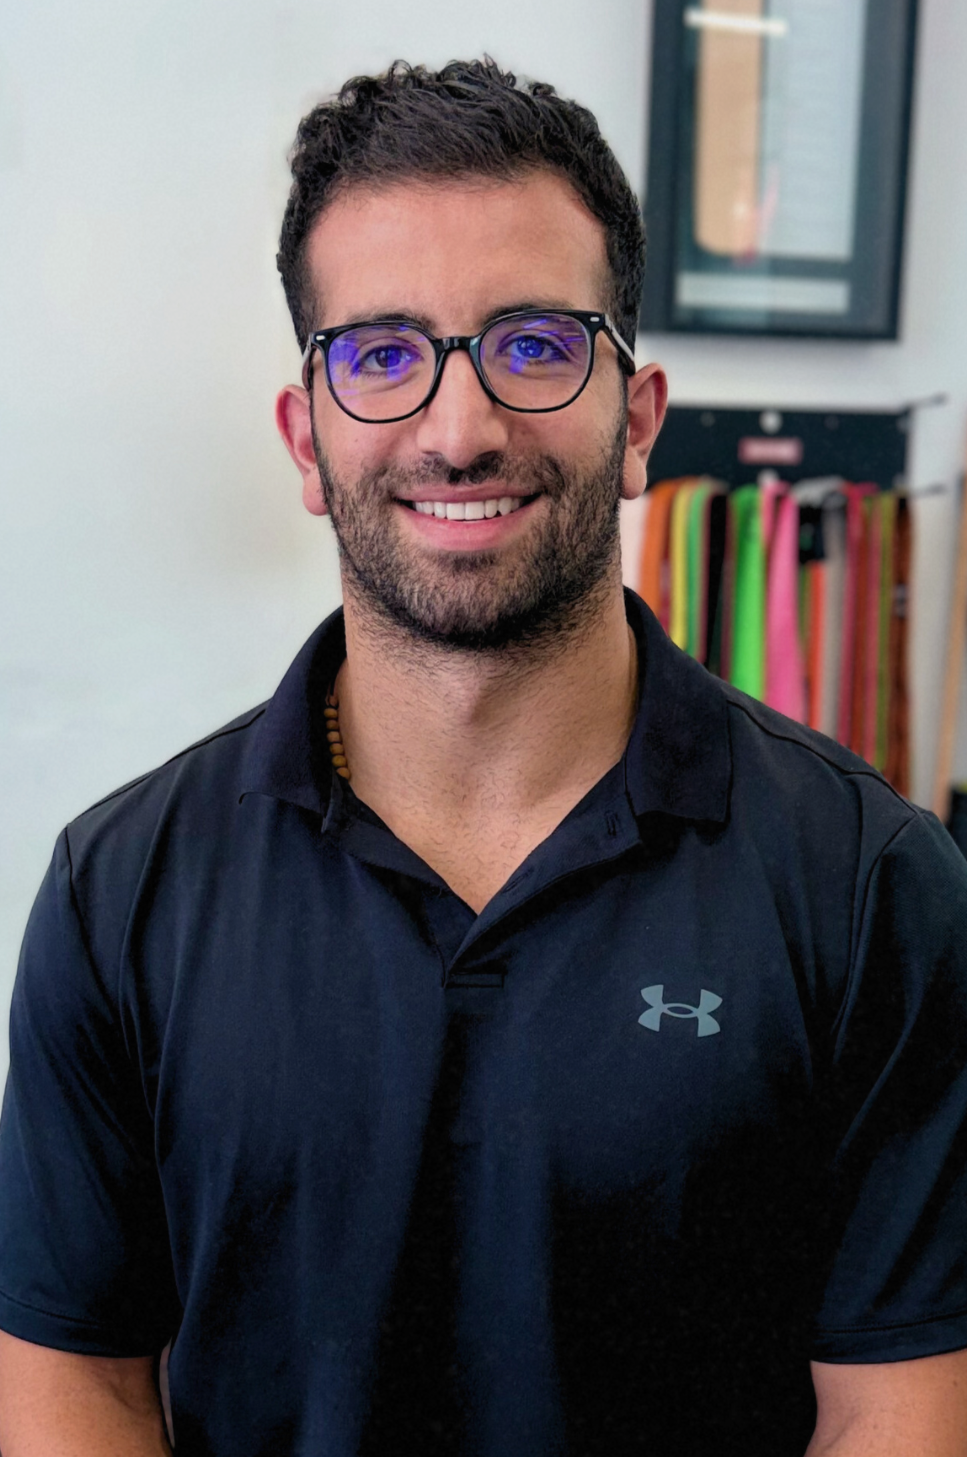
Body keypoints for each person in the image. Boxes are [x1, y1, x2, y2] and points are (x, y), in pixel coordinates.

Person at [0, 57, 965, 1457]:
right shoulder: (120, 892)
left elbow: (899, 1407)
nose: (458, 430)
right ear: (307, 439)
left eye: (532, 344)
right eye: (381, 354)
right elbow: (75, 1380)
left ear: (635, 419)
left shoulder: (873, 890)